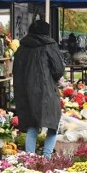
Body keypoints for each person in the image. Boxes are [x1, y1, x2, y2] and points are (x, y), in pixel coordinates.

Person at [12, 20, 65, 158]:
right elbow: (58, 69)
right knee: (53, 124)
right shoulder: (50, 45)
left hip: (26, 91)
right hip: (47, 91)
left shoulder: (22, 47)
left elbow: (16, 70)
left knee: (32, 125)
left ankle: (30, 158)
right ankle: (46, 157)